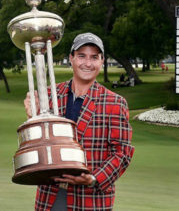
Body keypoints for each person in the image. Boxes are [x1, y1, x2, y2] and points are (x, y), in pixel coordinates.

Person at [24, 32, 135, 211]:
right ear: (71, 58)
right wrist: (33, 118)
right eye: (81, 56)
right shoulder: (50, 95)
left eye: (94, 57)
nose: (88, 63)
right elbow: (39, 145)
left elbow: (122, 153)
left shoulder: (115, 102)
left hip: (90, 199)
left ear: (102, 61)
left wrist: (93, 178)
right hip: (50, 197)